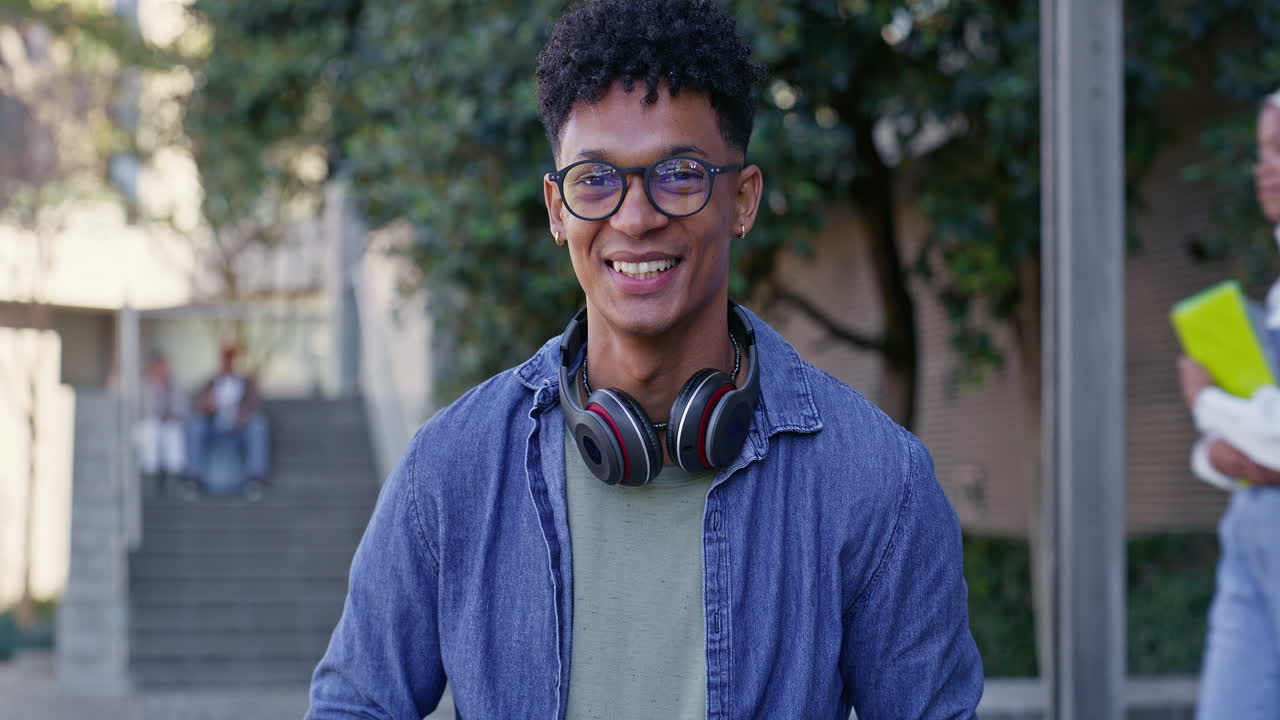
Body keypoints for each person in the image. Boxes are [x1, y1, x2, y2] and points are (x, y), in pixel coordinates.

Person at [307, 1, 982, 717]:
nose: (635, 218)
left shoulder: (877, 483)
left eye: (680, 174)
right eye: (595, 179)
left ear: (743, 200)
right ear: (557, 210)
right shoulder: (451, 469)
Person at [1181, 90, 1280, 720]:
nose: (1265, 167)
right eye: (1262, 150)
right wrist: (1221, 458)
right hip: (1251, 530)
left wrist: (1204, 399)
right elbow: (1251, 459)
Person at [186, 343, 269, 497]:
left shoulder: (246, 383)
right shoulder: (210, 382)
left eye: (230, 358)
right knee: (195, 425)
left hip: (239, 430)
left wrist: (243, 414)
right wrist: (206, 404)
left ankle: (256, 478)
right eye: (224, 358)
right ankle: (193, 478)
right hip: (215, 428)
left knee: (258, 425)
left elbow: (257, 405)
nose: (227, 362)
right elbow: (195, 403)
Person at [135, 349, 187, 495]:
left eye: (165, 366)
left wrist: (169, 415)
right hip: (148, 425)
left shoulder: (176, 385)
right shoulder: (143, 385)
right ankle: (149, 481)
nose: (163, 369)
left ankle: (173, 482)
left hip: (168, 425)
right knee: (150, 430)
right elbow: (140, 410)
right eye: (159, 366)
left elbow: (182, 409)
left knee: (173, 433)